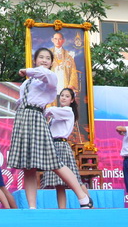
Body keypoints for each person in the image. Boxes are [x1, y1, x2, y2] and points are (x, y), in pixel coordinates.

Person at [7, 48, 93, 209]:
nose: (44, 60)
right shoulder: (27, 82)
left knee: (54, 162)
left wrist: (28, 71)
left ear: (52, 62)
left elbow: (43, 74)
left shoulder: (50, 78)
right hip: (23, 120)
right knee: (28, 167)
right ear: (35, 59)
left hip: (36, 118)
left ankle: (83, 197)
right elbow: (24, 98)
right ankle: (32, 208)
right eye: (41, 57)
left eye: (48, 58)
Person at [40, 88, 83, 209]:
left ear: (72, 100)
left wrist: (42, 108)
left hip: (61, 146)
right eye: (62, 95)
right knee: (59, 184)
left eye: (67, 96)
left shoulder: (67, 111)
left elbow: (50, 110)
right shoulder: (57, 115)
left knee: (75, 179)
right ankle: (62, 209)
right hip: (54, 145)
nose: (63, 98)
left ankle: (88, 203)